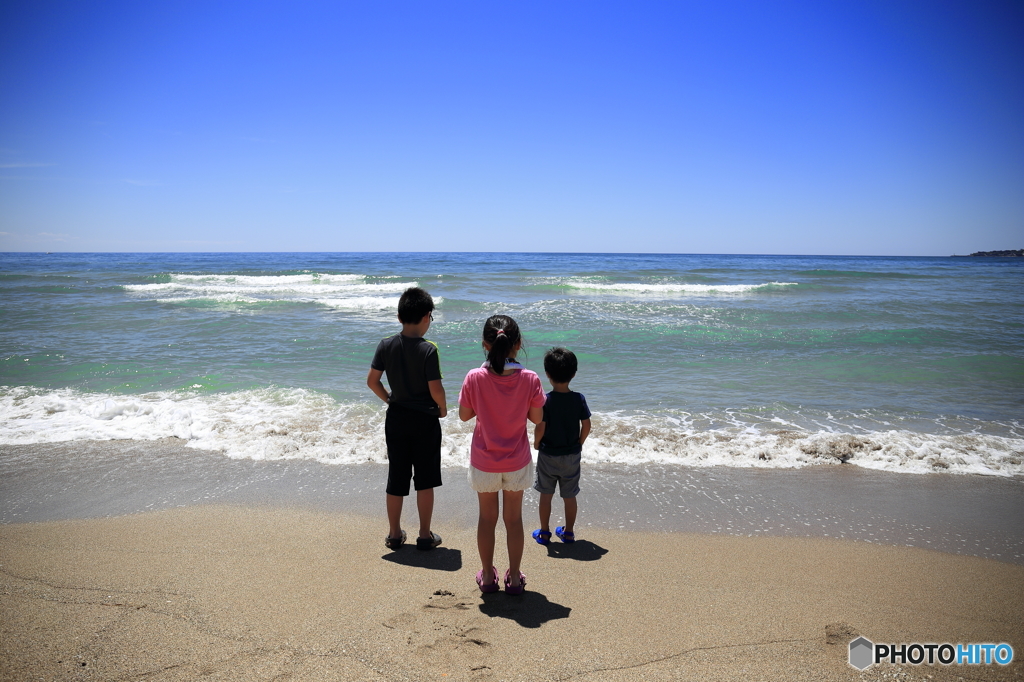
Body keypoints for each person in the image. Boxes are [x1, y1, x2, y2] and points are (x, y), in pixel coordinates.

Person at [458, 315, 545, 594]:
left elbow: (464, 415)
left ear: (485, 344)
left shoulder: (475, 376)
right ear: (518, 344)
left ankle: (486, 576)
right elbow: (536, 417)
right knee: (514, 520)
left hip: (485, 460)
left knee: (486, 519)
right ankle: (516, 577)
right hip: (516, 460)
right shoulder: (530, 378)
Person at [367, 287, 447, 551]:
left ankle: (393, 534)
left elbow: (372, 381)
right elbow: (435, 388)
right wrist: (443, 408)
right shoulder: (428, 349)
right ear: (426, 316)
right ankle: (424, 535)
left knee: (397, 477)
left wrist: (389, 399)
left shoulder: (386, 345)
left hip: (397, 418)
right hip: (425, 420)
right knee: (425, 479)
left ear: (399, 316)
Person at [532, 347, 591, 545]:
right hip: (571, 455)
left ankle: (545, 532)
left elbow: (541, 426)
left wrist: (536, 443)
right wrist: (580, 442)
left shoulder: (546, 400)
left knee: (545, 495)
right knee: (570, 496)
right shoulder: (578, 399)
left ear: (547, 374)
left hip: (548, 454)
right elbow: (587, 424)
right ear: (574, 373)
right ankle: (568, 532)